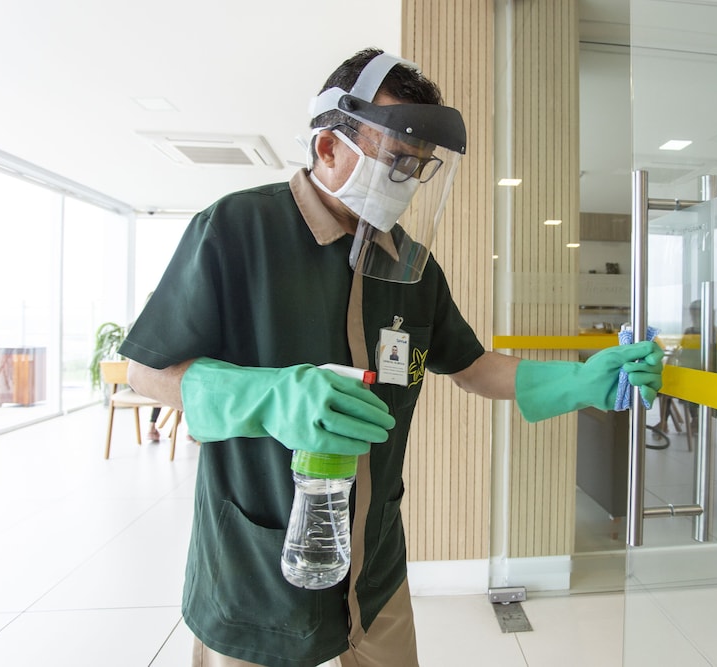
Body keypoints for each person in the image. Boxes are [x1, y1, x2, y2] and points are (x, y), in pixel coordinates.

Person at [120, 48, 663, 667]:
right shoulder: (237, 229)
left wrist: (582, 378)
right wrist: (267, 396)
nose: (406, 179)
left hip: (373, 563)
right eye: (396, 160)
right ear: (329, 148)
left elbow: (471, 366)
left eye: (418, 166)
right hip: (255, 561)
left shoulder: (410, 266)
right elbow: (147, 371)